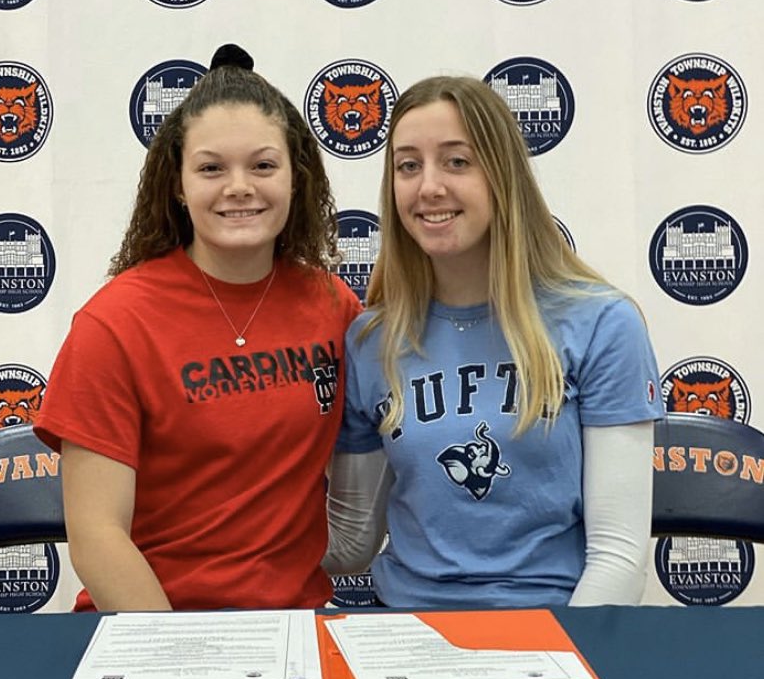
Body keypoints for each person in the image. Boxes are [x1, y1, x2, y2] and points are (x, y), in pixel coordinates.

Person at [35, 44, 361, 612]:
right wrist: (183, 664)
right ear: (180, 186)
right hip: (153, 634)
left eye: (263, 165)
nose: (239, 186)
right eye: (211, 168)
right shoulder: (113, 325)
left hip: (297, 635)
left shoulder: (333, 306)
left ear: (296, 179)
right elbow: (96, 536)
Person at [323, 75, 664, 608]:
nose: (429, 186)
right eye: (408, 165)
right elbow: (351, 544)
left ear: (502, 176)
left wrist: (561, 667)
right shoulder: (372, 341)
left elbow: (618, 557)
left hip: (553, 635)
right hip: (406, 637)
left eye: (457, 161)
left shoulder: (602, 323)